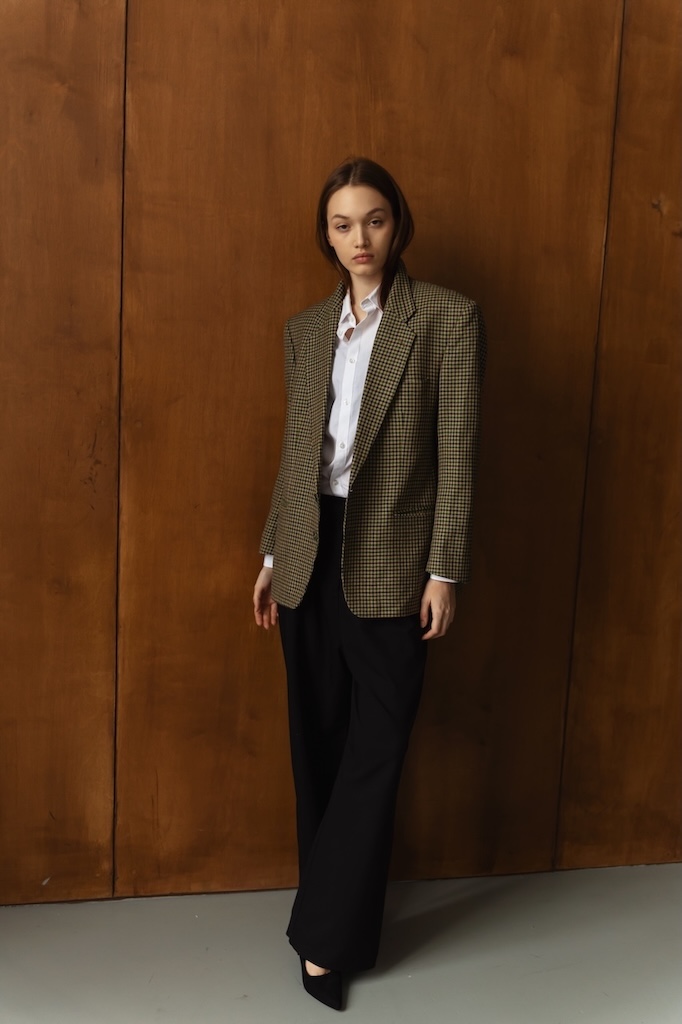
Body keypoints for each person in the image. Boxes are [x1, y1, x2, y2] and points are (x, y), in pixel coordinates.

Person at [253, 157, 486, 1011]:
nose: (360, 239)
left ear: (398, 224)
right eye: (343, 224)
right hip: (310, 548)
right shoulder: (306, 329)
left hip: (395, 559)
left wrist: (445, 569)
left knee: (375, 750)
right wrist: (272, 556)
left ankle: (321, 938)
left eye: (375, 220)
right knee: (315, 740)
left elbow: (458, 455)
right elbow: (297, 456)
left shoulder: (448, 319)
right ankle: (335, 924)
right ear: (326, 234)